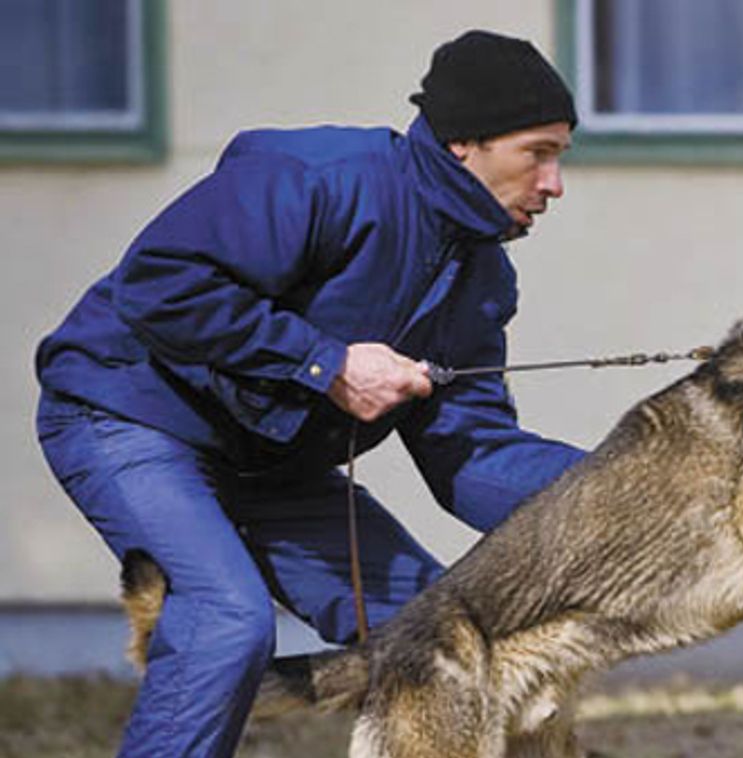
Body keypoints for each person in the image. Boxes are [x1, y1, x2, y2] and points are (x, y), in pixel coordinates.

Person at [34, 29, 587, 757]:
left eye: (560, 157)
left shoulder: (482, 279)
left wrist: (620, 489)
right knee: (227, 619)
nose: (554, 183)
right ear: (465, 143)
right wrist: (326, 365)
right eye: (537, 153)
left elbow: (471, 456)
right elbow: (161, 284)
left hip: (273, 470)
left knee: (449, 641)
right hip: (129, 414)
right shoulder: (321, 177)